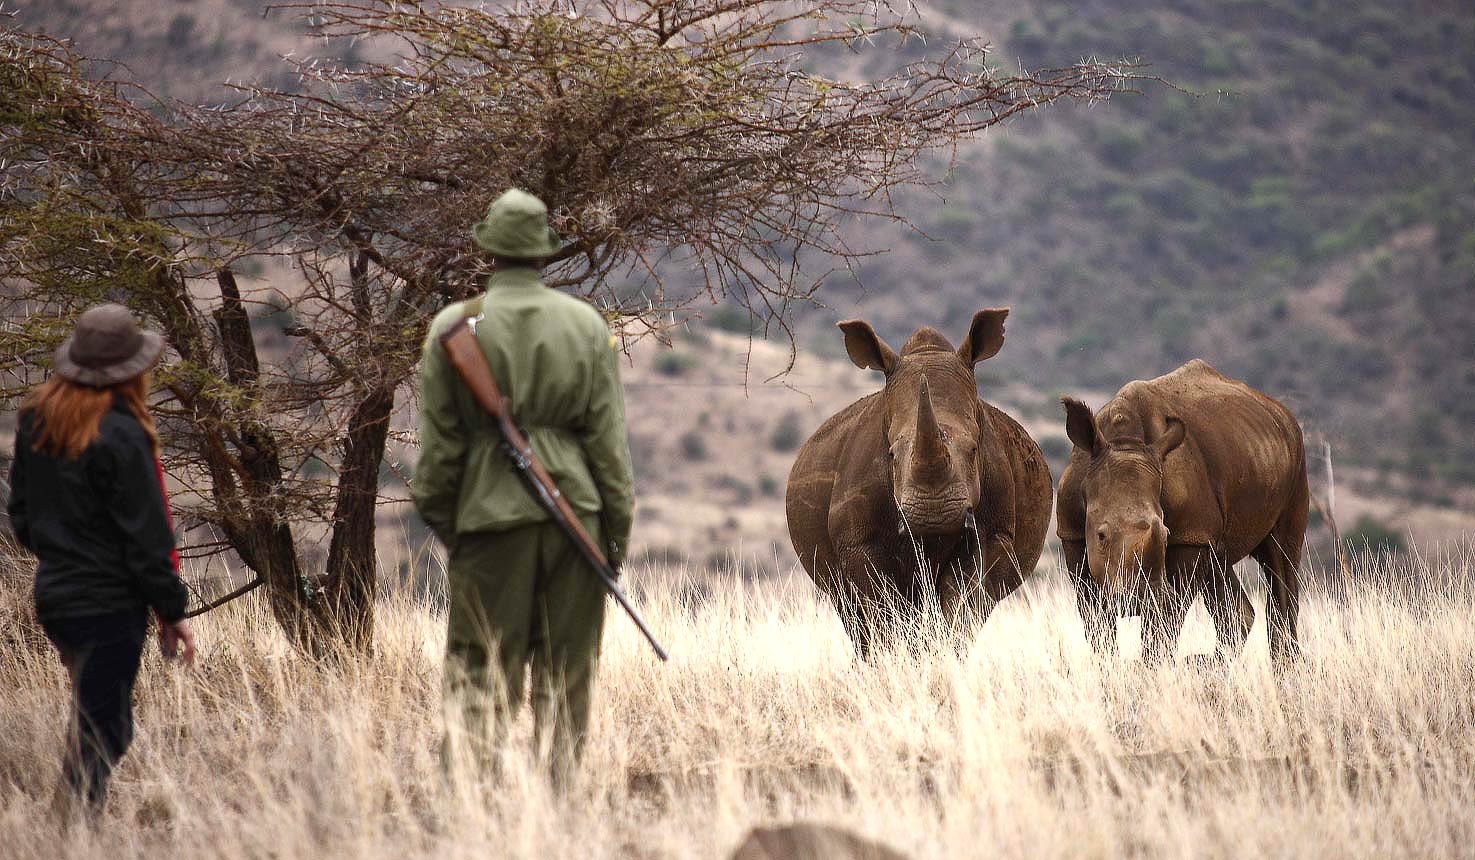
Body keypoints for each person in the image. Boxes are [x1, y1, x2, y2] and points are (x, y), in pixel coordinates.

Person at [414, 188, 635, 781]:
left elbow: (437, 459)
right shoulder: (587, 326)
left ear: (489, 251)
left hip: (488, 524)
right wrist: (612, 540)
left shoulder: (453, 326)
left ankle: (468, 812)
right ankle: (556, 813)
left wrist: (456, 529)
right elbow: (610, 455)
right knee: (568, 677)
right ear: (544, 254)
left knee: (480, 668)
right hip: (578, 521)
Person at [6, 303, 194, 817]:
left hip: (55, 597)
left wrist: (63, 553)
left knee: (94, 716)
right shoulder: (124, 435)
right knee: (106, 725)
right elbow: (148, 537)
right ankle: (69, 826)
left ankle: (72, 823)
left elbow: (20, 514)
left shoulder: (36, 423)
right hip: (108, 603)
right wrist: (172, 610)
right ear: (131, 370)